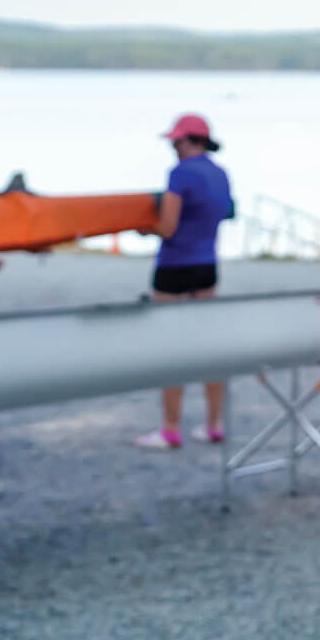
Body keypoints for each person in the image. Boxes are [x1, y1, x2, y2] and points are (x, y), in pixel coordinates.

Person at [133, 112, 234, 450]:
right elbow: (226, 213)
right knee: (211, 346)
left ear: (192, 141)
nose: (173, 148)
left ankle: (170, 429)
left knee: (172, 348)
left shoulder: (180, 173)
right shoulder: (221, 174)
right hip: (207, 265)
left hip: (174, 267)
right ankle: (214, 424)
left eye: (176, 142)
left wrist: (143, 226)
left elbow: (167, 227)